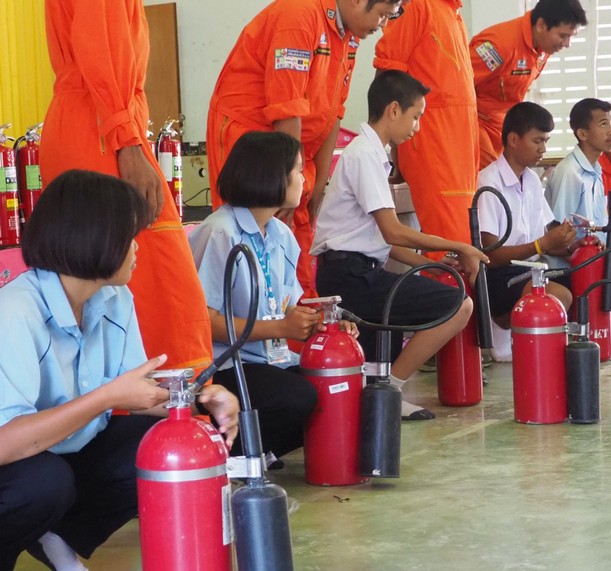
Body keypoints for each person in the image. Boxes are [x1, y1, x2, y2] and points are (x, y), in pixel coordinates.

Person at [0, 170, 239, 571]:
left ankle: (60, 537)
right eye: (129, 237)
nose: (136, 248)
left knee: (160, 443)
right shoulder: (15, 311)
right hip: (17, 464)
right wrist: (107, 398)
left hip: (66, 450)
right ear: (93, 237)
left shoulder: (115, 298)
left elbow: (137, 390)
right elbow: (6, 443)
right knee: (43, 484)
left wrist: (199, 399)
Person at [39, 0, 213, 374]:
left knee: (103, 283)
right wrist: (128, 143)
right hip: (101, 132)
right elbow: (101, 47)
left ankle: (122, 392)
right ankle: (169, 398)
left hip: (95, 126)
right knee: (157, 282)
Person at [311, 70, 487, 420]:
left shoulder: (373, 154)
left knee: (385, 341)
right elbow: (392, 232)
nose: (417, 127)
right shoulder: (364, 155)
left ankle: (380, 392)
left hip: (357, 268)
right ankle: (389, 391)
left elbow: (379, 240)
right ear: (394, 110)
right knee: (458, 305)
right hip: (350, 276)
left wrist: (432, 262)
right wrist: (461, 246)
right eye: (416, 116)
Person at [207, 0, 404, 298]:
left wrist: (318, 187)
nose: (382, 25)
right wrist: (286, 183)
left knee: (297, 244)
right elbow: (286, 109)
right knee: (252, 243)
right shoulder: (298, 17)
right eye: (382, 15)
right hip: (256, 149)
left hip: (296, 154)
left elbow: (333, 115)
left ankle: (297, 318)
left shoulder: (347, 34)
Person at [191, 132, 357, 460]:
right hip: (226, 366)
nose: (304, 179)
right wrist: (281, 328)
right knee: (298, 397)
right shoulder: (221, 232)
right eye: (298, 170)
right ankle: (231, 455)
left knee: (340, 386)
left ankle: (261, 449)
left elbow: (288, 307)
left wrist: (321, 323)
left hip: (272, 360)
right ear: (272, 176)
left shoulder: (280, 234)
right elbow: (204, 324)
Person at [477, 102, 577, 362]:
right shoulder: (488, 182)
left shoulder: (531, 180)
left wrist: (573, 244)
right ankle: (509, 330)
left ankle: (540, 350)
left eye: (546, 141)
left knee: (582, 284)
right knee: (559, 296)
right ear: (513, 139)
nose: (543, 149)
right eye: (537, 141)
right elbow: (490, 256)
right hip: (498, 275)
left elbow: (547, 235)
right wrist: (542, 245)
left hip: (530, 270)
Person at [374, 0, 479, 247]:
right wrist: (386, 144)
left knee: (462, 238)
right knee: (450, 244)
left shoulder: (452, 13)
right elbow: (388, 74)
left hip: (462, 149)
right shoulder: (418, 7)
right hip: (435, 144)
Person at [545, 98, 611, 340]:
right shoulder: (570, 173)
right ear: (582, 133)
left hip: (595, 262)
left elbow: (601, 232)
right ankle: (573, 312)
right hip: (571, 269)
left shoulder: (597, 171)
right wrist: (607, 277)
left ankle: (604, 302)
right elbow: (557, 238)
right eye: (603, 124)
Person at [470, 0, 587, 168]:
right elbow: (457, 86)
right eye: (563, 36)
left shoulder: (543, 48)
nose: (567, 44)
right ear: (541, 25)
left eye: (571, 36)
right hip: (476, 122)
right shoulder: (499, 45)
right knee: (491, 177)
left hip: (503, 125)